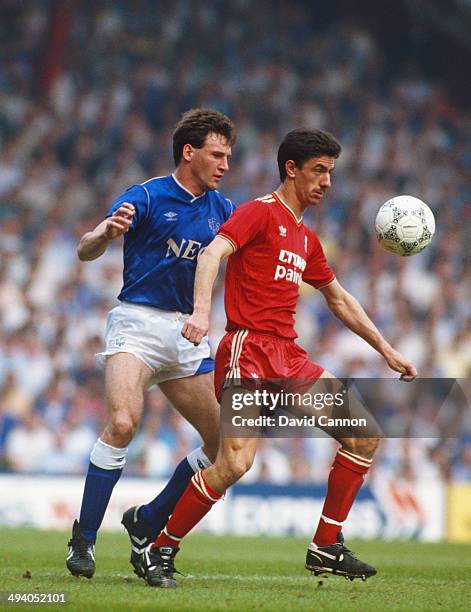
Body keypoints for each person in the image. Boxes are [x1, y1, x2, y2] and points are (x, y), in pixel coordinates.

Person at [139, 128, 417, 587]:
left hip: (287, 357)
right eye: (319, 170)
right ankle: (161, 548)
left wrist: (386, 349)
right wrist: (202, 313)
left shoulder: (306, 238)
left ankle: (325, 546)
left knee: (364, 434)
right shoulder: (259, 214)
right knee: (234, 465)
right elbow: (212, 253)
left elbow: (340, 299)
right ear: (291, 169)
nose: (328, 181)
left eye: (331, 172)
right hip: (247, 352)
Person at [66, 108, 236, 579]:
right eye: (217, 155)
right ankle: (84, 538)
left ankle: (148, 520)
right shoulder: (146, 195)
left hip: (187, 333)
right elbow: (86, 248)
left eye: (228, 156)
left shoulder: (223, 209)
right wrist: (105, 231)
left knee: (226, 445)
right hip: (138, 324)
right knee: (122, 424)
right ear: (189, 152)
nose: (225, 165)